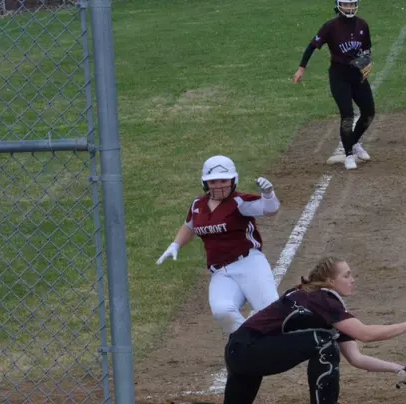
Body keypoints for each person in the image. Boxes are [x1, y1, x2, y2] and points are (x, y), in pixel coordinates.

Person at [136, 256, 406, 404]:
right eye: (347, 274)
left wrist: (402, 370)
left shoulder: (325, 306)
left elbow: (356, 357)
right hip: (248, 348)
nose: (353, 279)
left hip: (245, 351)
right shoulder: (322, 298)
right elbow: (364, 334)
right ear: (329, 280)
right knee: (322, 343)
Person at [156, 155, 280, 335]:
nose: (219, 185)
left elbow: (270, 210)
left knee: (272, 313)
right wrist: (175, 245)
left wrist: (268, 195)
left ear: (233, 180)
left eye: (223, 180)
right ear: (205, 183)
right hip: (221, 271)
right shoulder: (197, 205)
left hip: (249, 264)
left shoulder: (240, 202)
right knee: (223, 311)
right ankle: (248, 344)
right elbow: (189, 225)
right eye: (213, 181)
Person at [293, 0, 375, 171]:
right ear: (339, 6)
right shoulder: (331, 27)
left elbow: (366, 49)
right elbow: (312, 46)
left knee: (369, 113)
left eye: (352, 4)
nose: (349, 8)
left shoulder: (362, 25)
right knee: (347, 116)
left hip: (358, 76)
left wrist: (367, 62)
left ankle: (353, 142)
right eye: (346, 4)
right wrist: (301, 68)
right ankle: (348, 155)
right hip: (339, 76)